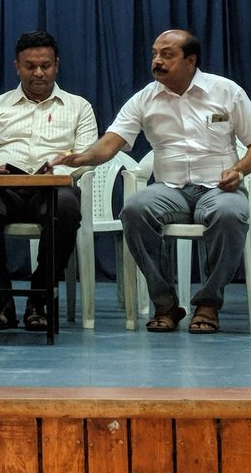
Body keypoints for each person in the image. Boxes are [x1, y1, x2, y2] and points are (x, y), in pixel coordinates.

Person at [57, 29, 251, 334]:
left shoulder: (226, 92)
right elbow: (110, 143)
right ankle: (165, 304)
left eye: (167, 55)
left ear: (190, 61)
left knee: (230, 213)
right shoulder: (145, 98)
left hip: (219, 187)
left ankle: (208, 303)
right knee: (134, 208)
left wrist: (238, 170)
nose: (157, 61)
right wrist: (82, 158)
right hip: (168, 190)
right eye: (154, 54)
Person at [0, 31, 98, 331]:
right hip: (4, 188)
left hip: (51, 189)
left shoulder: (79, 107)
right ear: (17, 66)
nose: (38, 72)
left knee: (66, 206)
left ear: (57, 65)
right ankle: (2, 303)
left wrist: (60, 172)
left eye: (46, 65)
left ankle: (39, 300)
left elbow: (86, 156)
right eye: (30, 66)